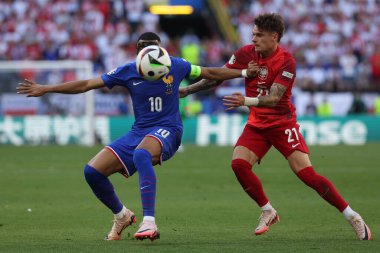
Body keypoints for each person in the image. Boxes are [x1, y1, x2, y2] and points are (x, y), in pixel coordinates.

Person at [16, 32, 257, 242]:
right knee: (92, 172)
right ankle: (122, 216)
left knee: (142, 154)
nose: (149, 51)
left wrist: (244, 72)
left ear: (161, 49)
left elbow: (210, 72)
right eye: (144, 47)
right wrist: (46, 88)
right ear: (138, 51)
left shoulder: (176, 65)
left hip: (169, 130)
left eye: (154, 46)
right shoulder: (127, 70)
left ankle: (149, 222)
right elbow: (87, 84)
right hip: (139, 131)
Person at [179, 13, 371, 240]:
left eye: (259, 35)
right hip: (257, 125)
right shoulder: (245, 54)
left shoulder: (286, 61)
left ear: (274, 37)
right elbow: (217, 77)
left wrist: (246, 101)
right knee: (239, 164)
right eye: (253, 34)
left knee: (307, 175)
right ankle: (268, 210)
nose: (254, 39)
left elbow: (274, 97)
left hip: (282, 124)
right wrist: (187, 91)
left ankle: (353, 217)